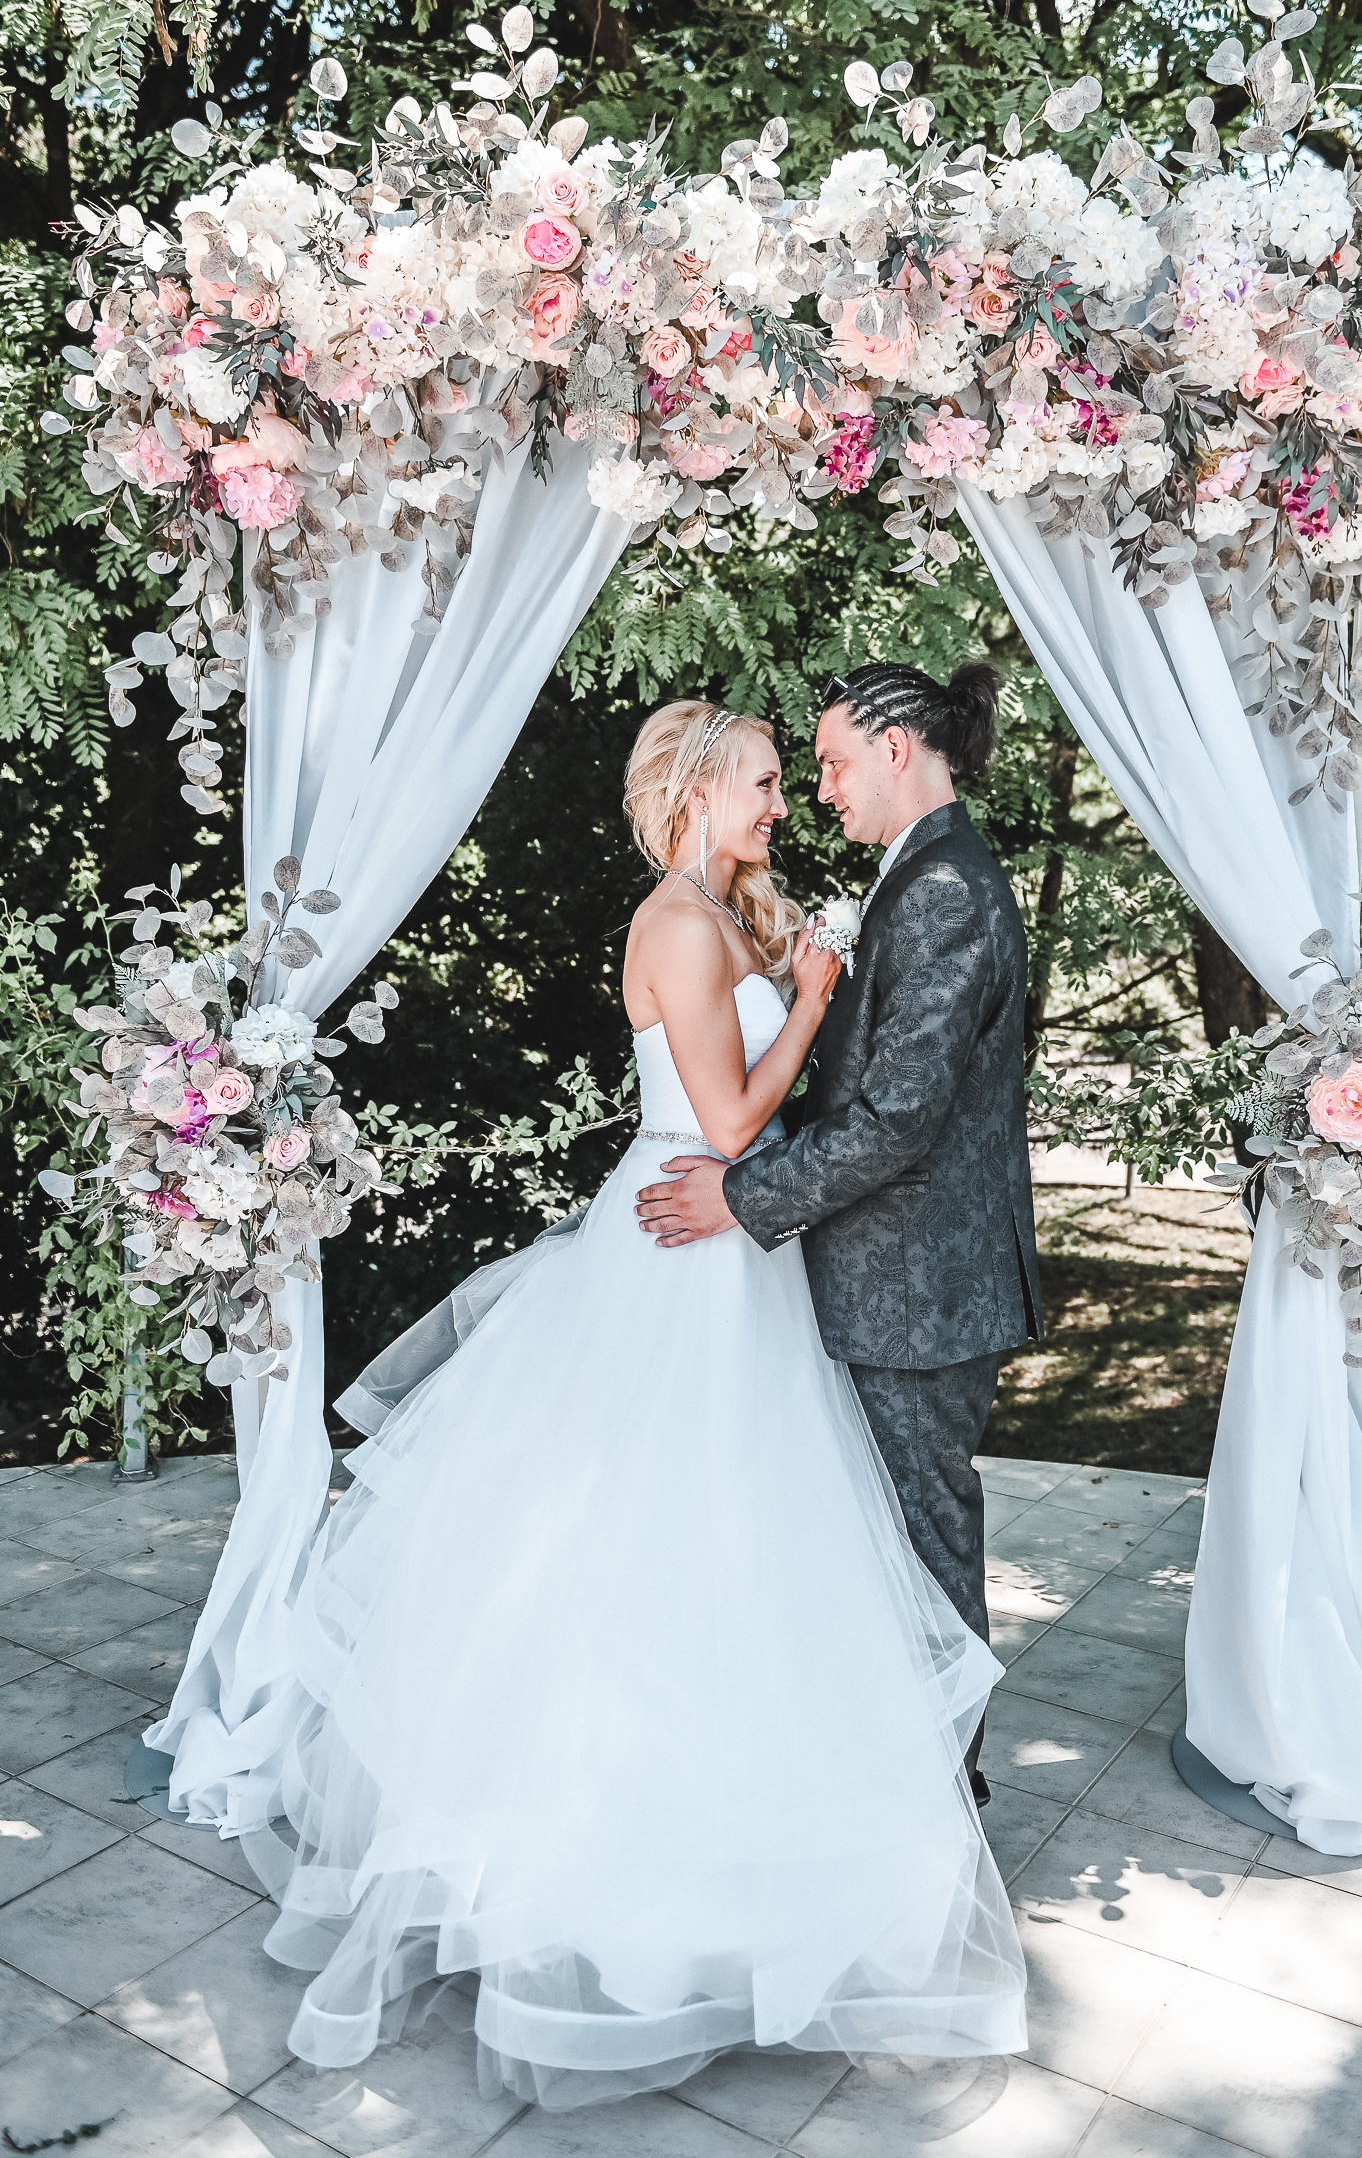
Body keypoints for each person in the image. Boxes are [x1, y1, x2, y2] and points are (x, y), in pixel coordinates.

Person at [228, 697, 1026, 2111]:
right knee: (649, 1546)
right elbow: (727, 1124)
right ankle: (621, 1865)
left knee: (763, 1551)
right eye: (767, 780)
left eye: (799, 773)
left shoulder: (732, 913)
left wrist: (802, 990)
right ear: (699, 790)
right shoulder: (676, 920)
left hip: (739, 1247)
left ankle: (790, 1844)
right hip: (686, 1242)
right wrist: (816, 995)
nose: (786, 799)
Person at [636, 661, 1044, 1803]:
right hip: (891, 1274)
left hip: (916, 1285)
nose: (817, 790)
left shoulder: (943, 889)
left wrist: (742, 1196)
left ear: (895, 746)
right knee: (876, 1537)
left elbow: (899, 1117)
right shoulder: (921, 874)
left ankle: (937, 1797)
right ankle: (892, 1780)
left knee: (916, 1540)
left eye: (829, 762)